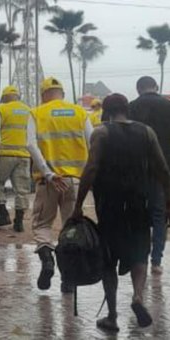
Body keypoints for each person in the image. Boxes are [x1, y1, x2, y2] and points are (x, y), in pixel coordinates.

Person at [72, 94, 170, 332]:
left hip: (110, 205)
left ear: (105, 112)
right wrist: (168, 201)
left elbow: (92, 168)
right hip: (139, 202)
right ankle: (137, 297)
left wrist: (78, 205)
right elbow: (162, 168)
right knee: (139, 253)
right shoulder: (146, 132)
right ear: (128, 110)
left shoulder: (101, 133)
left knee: (109, 260)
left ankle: (113, 315)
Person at [27, 77, 93, 292]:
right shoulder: (80, 113)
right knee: (70, 230)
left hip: (49, 183)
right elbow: (93, 143)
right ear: (62, 93)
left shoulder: (36, 113)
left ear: (44, 94)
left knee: (42, 224)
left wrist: (48, 173)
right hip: (75, 182)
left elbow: (30, 145)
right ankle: (69, 280)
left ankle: (47, 259)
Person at [129, 76, 170, 275]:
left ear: (138, 90)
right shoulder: (167, 106)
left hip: (135, 171)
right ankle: (156, 261)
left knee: (138, 215)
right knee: (159, 215)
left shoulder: (130, 107)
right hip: (162, 171)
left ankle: (140, 258)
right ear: (156, 87)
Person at [0, 85, 31, 232]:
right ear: (18, 97)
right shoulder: (29, 111)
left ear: (4, 98)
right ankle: (19, 221)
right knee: (22, 189)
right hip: (24, 155)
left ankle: (3, 214)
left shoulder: (1, 110)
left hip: (5, 154)